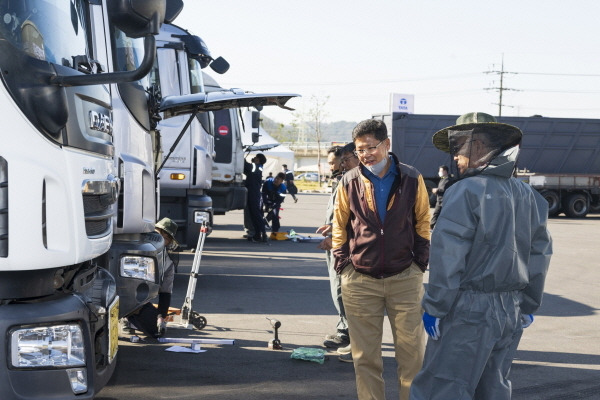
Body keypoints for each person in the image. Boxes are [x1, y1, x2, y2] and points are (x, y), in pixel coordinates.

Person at [409, 112, 553, 400]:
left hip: (468, 310)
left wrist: (436, 306)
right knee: (493, 388)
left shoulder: (464, 191)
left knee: (444, 386)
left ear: (477, 147)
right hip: (510, 310)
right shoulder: (528, 196)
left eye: (460, 148)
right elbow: (540, 254)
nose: (457, 158)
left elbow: (449, 257)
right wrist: (527, 304)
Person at [332, 119, 431, 400]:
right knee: (365, 357)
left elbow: (423, 220)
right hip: (360, 280)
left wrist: (419, 263)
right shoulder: (349, 181)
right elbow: (339, 225)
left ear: (387, 144)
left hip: (405, 277)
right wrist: (343, 264)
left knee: (412, 356)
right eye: (360, 150)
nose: (365, 154)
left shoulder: (412, 178)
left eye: (371, 147)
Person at [315, 146, 349, 351]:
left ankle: (346, 334)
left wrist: (335, 235)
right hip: (334, 239)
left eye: (332, 162)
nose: (331, 166)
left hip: (340, 244)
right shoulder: (340, 181)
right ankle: (344, 329)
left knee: (341, 289)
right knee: (337, 288)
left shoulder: (349, 182)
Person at [155, 217, 180, 331]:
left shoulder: (169, 263)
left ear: (170, 242)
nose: (161, 240)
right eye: (159, 234)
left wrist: (161, 318)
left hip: (149, 298)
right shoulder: (138, 250)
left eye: (166, 238)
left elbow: (165, 293)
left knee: (153, 328)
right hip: (134, 298)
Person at [244, 153, 268, 242]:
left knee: (256, 215)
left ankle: (263, 234)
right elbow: (246, 170)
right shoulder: (257, 167)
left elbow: (246, 166)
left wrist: (241, 157)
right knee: (253, 215)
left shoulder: (256, 167)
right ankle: (257, 235)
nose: (254, 158)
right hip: (252, 192)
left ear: (259, 159)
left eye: (256, 157)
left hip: (254, 193)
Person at [429, 165, 453, 229]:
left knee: (441, 215)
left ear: (445, 171)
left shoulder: (448, 180)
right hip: (439, 200)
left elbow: (443, 189)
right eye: (439, 171)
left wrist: (437, 190)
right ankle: (431, 226)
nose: (439, 172)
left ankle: (440, 227)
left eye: (441, 171)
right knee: (436, 214)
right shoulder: (442, 179)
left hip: (444, 201)